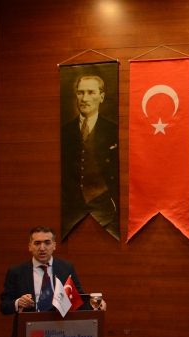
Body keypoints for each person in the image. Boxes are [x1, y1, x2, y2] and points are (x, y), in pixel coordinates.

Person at [0, 226, 106, 337]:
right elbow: (4, 306)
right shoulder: (17, 272)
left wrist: (95, 304)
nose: (42, 248)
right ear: (30, 246)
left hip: (60, 336)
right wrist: (18, 303)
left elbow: (77, 299)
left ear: (54, 245)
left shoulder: (66, 268)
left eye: (47, 242)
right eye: (37, 243)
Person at [61, 74, 119, 240]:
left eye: (91, 92)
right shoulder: (64, 131)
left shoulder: (114, 130)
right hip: (70, 210)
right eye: (80, 93)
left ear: (101, 97)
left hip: (105, 209)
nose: (84, 98)